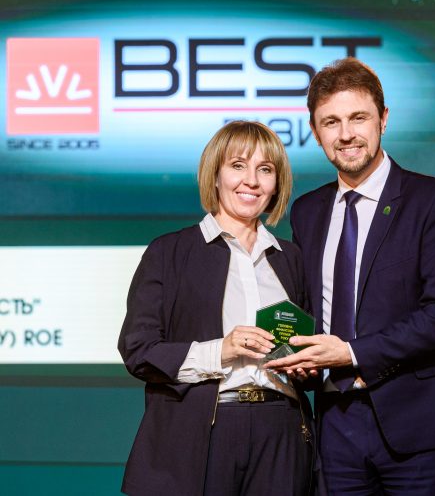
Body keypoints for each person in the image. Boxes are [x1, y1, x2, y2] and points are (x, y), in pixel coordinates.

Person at [264, 58, 435, 495]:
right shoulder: (307, 211)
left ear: (383, 118)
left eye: (358, 117)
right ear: (315, 130)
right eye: (331, 122)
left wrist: (350, 353)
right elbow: (311, 309)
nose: (345, 134)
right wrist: (298, 358)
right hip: (334, 425)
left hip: (417, 424)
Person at [117, 121, 314, 496]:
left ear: (277, 183)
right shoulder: (169, 252)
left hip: (282, 429)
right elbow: (138, 350)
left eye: (265, 169)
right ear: (216, 175)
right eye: (238, 165)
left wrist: (305, 366)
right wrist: (221, 350)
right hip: (203, 430)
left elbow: (307, 348)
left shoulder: (291, 259)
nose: (251, 181)